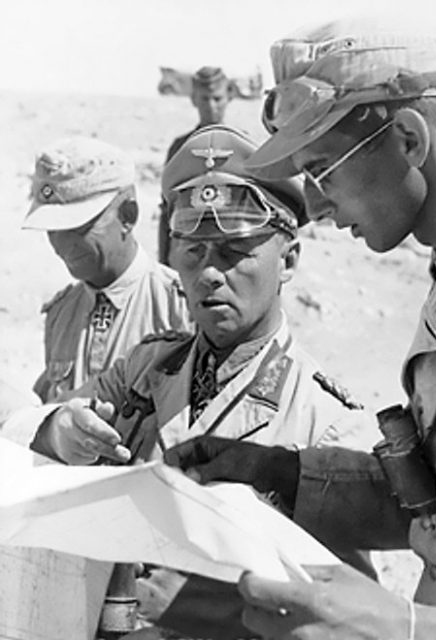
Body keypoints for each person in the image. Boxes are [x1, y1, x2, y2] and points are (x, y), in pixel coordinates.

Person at [164, 16, 436, 640]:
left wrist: (418, 628)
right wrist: (281, 475)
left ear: (409, 141)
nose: (312, 208)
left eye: (322, 171)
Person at [18, 124, 376, 635]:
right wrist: (61, 428)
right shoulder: (148, 367)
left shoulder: (327, 424)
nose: (209, 274)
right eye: (194, 253)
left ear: (289, 259)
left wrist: (198, 605)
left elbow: (347, 620)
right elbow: (27, 427)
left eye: (233, 254)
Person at [23, 136, 191, 403]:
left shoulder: (181, 308)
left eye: (78, 228)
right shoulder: (61, 314)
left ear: (128, 216)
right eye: (53, 230)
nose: (62, 244)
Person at [159, 66, 234, 264]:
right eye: (204, 99)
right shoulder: (180, 148)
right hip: (187, 246)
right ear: (194, 99)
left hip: (229, 247)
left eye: (217, 98)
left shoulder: (239, 146)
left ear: (229, 96)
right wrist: (164, 260)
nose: (211, 106)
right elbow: (167, 207)